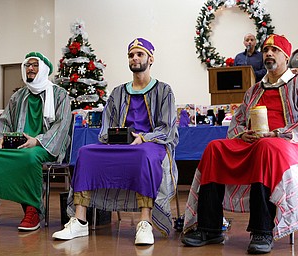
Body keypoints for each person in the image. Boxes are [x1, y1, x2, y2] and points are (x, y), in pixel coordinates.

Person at [52, 38, 179, 245]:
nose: (135, 58)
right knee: (85, 152)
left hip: (150, 145)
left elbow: (167, 128)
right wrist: (114, 138)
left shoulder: (164, 90)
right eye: (131, 55)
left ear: (151, 58)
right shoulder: (118, 92)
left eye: (139, 54)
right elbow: (106, 128)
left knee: (144, 154)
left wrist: (143, 138)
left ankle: (144, 222)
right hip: (120, 146)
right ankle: (80, 220)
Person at [182, 34, 298, 254]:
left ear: (285, 56)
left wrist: (275, 133)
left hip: (286, 143)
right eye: (265, 50)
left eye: (274, 50)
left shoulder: (296, 84)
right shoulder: (254, 90)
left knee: (266, 148)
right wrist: (243, 134)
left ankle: (262, 230)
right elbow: (238, 121)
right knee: (215, 148)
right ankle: (209, 227)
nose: (269, 54)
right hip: (253, 142)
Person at [0, 52, 72, 231]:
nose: (30, 68)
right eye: (28, 65)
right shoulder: (19, 96)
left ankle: (33, 210)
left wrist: (37, 141)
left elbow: (62, 126)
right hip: (19, 145)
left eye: (35, 65)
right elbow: (5, 121)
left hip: (45, 146)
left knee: (29, 157)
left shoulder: (60, 95)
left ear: (43, 69)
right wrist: (3, 139)